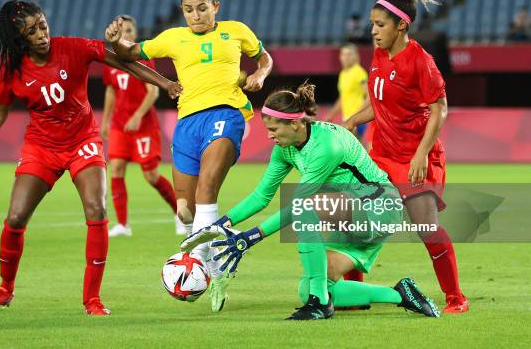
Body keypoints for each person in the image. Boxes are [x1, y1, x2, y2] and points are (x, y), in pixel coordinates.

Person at [0, 0, 181, 315]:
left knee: (96, 209)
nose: (42, 34)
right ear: (19, 39)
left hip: (83, 140)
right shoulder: (13, 70)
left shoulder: (73, 48)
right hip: (41, 147)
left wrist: (166, 84)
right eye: (32, 31)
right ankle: (4, 289)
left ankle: (92, 300)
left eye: (43, 24)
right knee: (15, 218)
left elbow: (123, 63)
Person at [181, 83, 440, 320]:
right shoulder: (285, 148)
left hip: (379, 208)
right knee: (311, 286)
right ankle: (401, 294)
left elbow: (300, 206)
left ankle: (319, 305)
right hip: (352, 214)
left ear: (295, 124)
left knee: (305, 209)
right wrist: (221, 224)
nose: (270, 136)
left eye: (273, 129)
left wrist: (250, 237)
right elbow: (262, 196)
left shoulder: (326, 146)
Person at [105, 0, 273, 312]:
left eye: (202, 8)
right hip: (187, 124)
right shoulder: (172, 39)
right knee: (185, 211)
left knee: (207, 190)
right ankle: (216, 263)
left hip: (226, 115)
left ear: (216, 6)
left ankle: (198, 264)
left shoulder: (236, 31)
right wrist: (114, 42)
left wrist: (260, 72)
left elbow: (264, 57)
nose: (195, 15)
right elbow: (130, 54)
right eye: (188, 10)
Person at [343, 0, 468, 313]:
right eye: (372, 24)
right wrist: (354, 120)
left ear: (401, 25)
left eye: (380, 25)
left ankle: (456, 297)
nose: (373, 31)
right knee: (358, 219)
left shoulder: (421, 61)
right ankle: (354, 293)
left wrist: (421, 155)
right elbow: (379, 99)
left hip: (414, 157)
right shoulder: (379, 54)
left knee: (426, 229)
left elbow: (438, 108)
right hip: (381, 155)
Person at [100, 14, 181, 237]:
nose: (124, 34)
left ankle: (180, 214)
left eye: (128, 31)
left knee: (151, 175)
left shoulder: (143, 59)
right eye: (121, 31)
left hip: (143, 126)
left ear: (134, 35)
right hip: (119, 126)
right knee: (115, 169)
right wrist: (106, 121)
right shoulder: (111, 61)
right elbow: (110, 91)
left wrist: (137, 116)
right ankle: (123, 225)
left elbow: (153, 91)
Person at [326, 43, 369, 150]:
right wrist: (331, 115)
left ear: (355, 56)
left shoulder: (359, 72)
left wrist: (358, 115)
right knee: (352, 149)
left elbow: (368, 96)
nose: (345, 57)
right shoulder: (343, 74)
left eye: (349, 54)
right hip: (347, 118)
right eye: (343, 54)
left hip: (358, 118)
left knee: (350, 148)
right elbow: (342, 98)